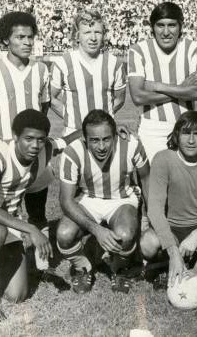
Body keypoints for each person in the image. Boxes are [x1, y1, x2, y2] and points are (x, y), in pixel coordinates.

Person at [0, 109, 80, 320]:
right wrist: (31, 228)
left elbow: (68, 140)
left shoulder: (45, 148)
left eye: (40, 140)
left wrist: (113, 128)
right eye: (28, 139)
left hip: (9, 218)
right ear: (15, 137)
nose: (34, 145)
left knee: (17, 295)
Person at [0, 11, 53, 239]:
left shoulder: (41, 70)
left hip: (34, 152)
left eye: (30, 37)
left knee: (37, 207)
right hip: (7, 153)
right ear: (6, 40)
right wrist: (2, 137)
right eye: (20, 37)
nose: (27, 42)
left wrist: (34, 137)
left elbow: (43, 108)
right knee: (5, 210)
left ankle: (39, 260)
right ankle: (3, 251)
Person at [56, 110, 149, 294]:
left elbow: (146, 178)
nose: (101, 147)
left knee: (125, 234)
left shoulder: (131, 144)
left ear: (115, 135)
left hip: (122, 199)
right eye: (94, 140)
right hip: (89, 199)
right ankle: (83, 267)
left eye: (106, 139)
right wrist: (97, 230)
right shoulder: (72, 151)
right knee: (64, 234)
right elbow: (65, 201)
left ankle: (119, 268)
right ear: (85, 139)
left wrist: (147, 216)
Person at [140, 111, 197, 289]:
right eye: (185, 133)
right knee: (147, 244)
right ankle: (171, 263)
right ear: (176, 135)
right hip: (172, 227)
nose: (191, 140)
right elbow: (155, 209)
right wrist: (173, 250)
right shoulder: (163, 158)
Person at [128, 2, 197, 163]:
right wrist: (182, 88)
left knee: (186, 185)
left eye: (172, 25)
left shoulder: (193, 48)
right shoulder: (138, 50)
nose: (166, 32)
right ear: (152, 28)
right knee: (154, 184)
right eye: (160, 25)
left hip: (187, 128)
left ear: (181, 26)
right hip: (152, 128)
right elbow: (138, 97)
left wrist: (156, 86)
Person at [50, 9, 127, 136]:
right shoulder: (63, 62)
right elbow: (51, 98)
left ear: (103, 35)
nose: (93, 38)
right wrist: (71, 116)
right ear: (77, 36)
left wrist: (102, 119)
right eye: (87, 32)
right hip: (73, 133)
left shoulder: (114, 63)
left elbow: (120, 98)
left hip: (104, 134)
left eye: (97, 32)